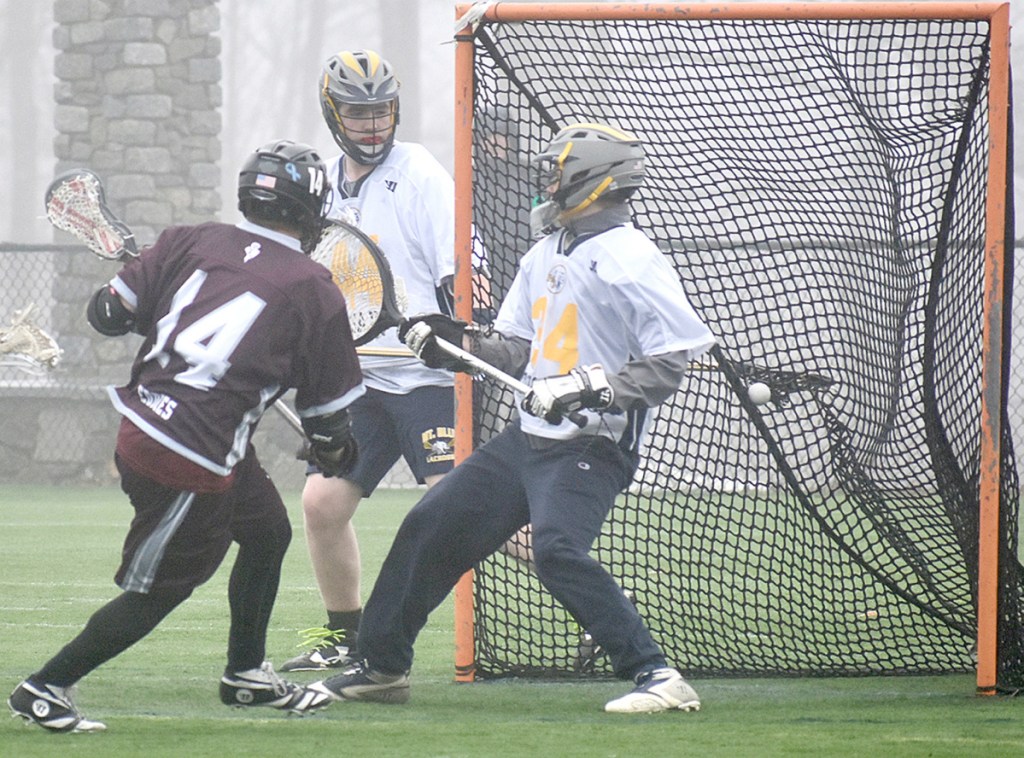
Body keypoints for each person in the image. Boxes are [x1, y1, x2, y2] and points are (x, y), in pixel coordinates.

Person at [309, 122, 716, 713]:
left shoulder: (633, 258)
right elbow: (515, 348)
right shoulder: (545, 252)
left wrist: (581, 390)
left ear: (592, 182)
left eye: (556, 175)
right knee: (429, 527)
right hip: (528, 438)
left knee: (554, 549)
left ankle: (657, 677)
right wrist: (453, 343)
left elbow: (666, 368)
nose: (544, 185)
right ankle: (382, 667)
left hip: (591, 445)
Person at [7, 140, 365, 732]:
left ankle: (246, 675)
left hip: (156, 429)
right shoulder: (312, 285)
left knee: (267, 533)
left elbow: (105, 316)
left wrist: (148, 298)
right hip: (189, 455)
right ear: (311, 210)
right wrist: (333, 448)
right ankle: (45, 686)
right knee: (160, 589)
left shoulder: (189, 240)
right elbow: (328, 417)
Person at [279, 49, 476, 673]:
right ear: (332, 112)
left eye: (381, 110)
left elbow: (463, 266)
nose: (372, 124)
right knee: (321, 505)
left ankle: (597, 609)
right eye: (358, 112)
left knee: (462, 509)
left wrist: (460, 330)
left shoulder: (418, 172)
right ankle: (346, 636)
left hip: (429, 377)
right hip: (362, 381)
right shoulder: (325, 186)